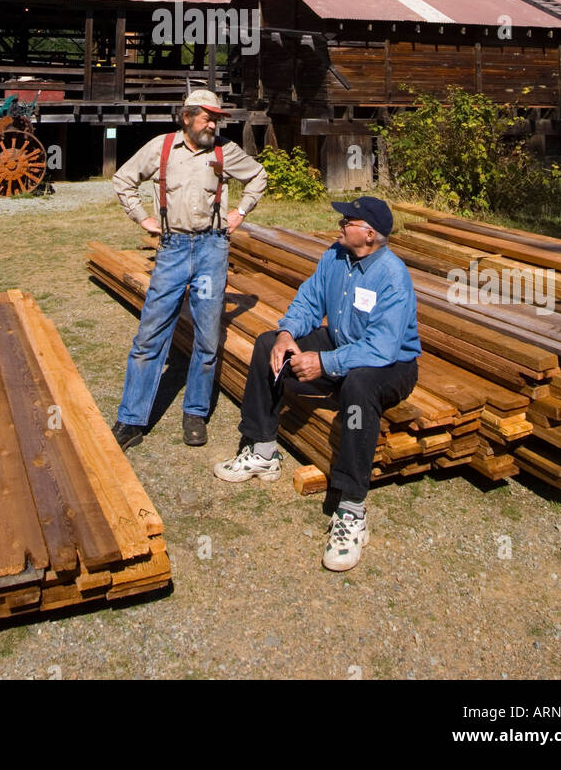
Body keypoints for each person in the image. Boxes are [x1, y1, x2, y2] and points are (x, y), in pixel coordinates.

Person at [214, 196, 421, 572]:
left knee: (358, 389)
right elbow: (309, 300)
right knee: (266, 345)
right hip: (344, 344)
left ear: (370, 234)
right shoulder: (335, 256)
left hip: (391, 364)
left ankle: (352, 510)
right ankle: (262, 451)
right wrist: (287, 333)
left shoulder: (392, 276)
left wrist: (324, 362)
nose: (340, 225)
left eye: (348, 221)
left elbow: (382, 347)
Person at [111, 90, 268, 450]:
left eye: (217, 118)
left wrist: (240, 212)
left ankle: (195, 413)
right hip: (173, 250)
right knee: (150, 335)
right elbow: (123, 180)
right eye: (207, 117)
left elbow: (258, 177)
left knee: (208, 336)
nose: (213, 124)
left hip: (213, 249)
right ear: (187, 117)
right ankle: (132, 420)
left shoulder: (224, 151)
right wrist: (143, 218)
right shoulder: (161, 148)